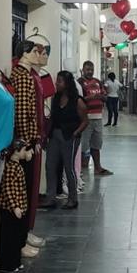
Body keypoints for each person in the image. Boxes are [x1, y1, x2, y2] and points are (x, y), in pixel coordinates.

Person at [44, 69, 86, 210]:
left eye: (60, 81)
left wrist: (75, 133)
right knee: (50, 166)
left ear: (67, 83)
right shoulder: (55, 98)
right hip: (55, 135)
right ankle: (50, 198)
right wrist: (46, 135)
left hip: (70, 137)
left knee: (69, 168)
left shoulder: (77, 101)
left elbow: (85, 121)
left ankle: (73, 199)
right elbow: (52, 118)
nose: (57, 83)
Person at [79, 61, 112, 175]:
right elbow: (79, 100)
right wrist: (90, 97)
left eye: (91, 69)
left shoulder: (98, 82)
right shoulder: (80, 83)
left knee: (96, 144)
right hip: (86, 119)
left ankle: (98, 167)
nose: (90, 72)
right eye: (87, 69)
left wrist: (101, 97)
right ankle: (81, 168)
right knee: (84, 145)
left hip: (98, 118)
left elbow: (106, 97)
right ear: (83, 69)